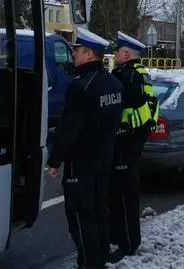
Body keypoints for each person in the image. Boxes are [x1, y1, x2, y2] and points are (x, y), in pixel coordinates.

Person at [47, 27, 123, 269]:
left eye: (78, 50)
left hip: (81, 163)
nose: (74, 55)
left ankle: (90, 263)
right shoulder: (113, 83)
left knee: (81, 215)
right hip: (104, 158)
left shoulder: (80, 86)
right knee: (100, 210)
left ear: (89, 54)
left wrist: (54, 160)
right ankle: (99, 257)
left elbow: (69, 128)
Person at [108, 31, 159, 263]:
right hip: (134, 141)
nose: (115, 55)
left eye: (117, 51)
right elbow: (151, 107)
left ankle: (126, 244)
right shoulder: (141, 74)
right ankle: (126, 239)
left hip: (124, 141)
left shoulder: (125, 76)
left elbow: (115, 109)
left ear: (126, 53)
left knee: (122, 197)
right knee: (126, 195)